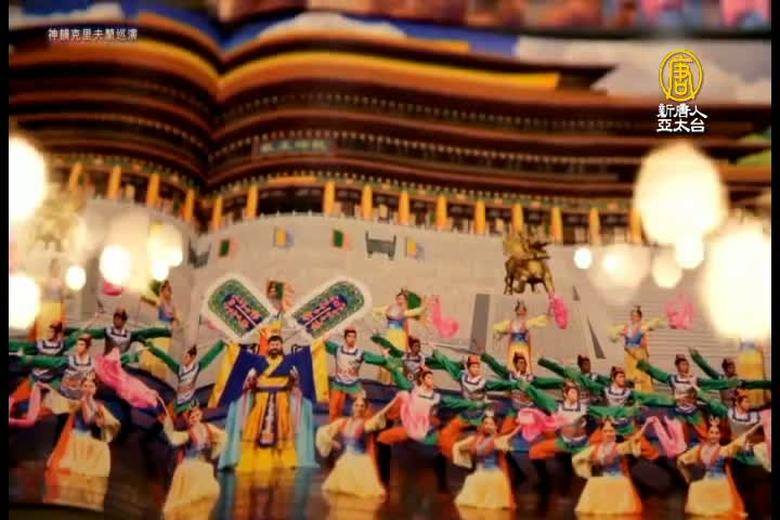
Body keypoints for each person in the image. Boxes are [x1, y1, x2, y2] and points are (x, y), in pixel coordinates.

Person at [376, 366, 486, 489]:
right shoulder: (413, 391)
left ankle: (444, 485)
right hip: (409, 429)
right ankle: (383, 480)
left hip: (427, 431)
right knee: (382, 438)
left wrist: (474, 404)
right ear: (422, 380)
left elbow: (453, 402)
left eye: (432, 378)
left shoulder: (436, 397)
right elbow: (400, 378)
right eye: (429, 377)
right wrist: (392, 366)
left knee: (445, 447)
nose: (432, 380)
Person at [219, 335, 302, 472]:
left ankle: (285, 462)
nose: (275, 347)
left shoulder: (288, 363)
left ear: (281, 346)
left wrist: (294, 380)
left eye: (277, 344)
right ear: (268, 347)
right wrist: (251, 380)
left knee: (283, 429)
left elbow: (295, 384)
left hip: (281, 402)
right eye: (272, 345)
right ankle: (250, 462)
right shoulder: (259, 362)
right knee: (254, 429)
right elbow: (248, 383)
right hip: (261, 401)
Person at [430, 350, 518, 466]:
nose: (476, 369)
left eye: (478, 367)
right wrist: (437, 353)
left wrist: (517, 384)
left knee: (496, 441)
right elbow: (448, 365)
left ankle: (512, 466)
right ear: (468, 368)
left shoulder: (483, 382)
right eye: (474, 366)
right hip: (467, 414)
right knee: (447, 434)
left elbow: (501, 385)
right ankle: (443, 459)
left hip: (481, 416)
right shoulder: (461, 377)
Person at [637, 354, 742, 441]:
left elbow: (712, 383)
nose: (685, 366)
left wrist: (730, 383)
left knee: (704, 434)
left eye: (686, 364)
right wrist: (644, 365)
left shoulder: (694, 379)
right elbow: (657, 373)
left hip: (693, 411)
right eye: (682, 364)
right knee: (681, 436)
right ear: (677, 366)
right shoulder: (672, 379)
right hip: (679, 412)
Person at [677, 418, 764, 517]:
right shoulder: (698, 450)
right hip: (702, 487)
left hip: (719, 487)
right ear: (707, 434)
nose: (714, 435)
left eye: (716, 433)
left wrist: (757, 426)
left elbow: (741, 439)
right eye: (711, 432)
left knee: (720, 515)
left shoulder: (723, 450)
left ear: (720, 435)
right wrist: (687, 478)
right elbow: (681, 461)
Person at [161, 403, 226, 520]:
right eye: (192, 417)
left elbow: (222, 437)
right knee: (187, 501)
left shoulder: (208, 427)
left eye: (197, 415)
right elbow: (174, 439)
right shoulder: (189, 433)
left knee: (201, 501)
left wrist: (214, 452)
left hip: (202, 467)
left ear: (200, 415)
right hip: (190, 468)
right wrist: (167, 424)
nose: (195, 419)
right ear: (189, 420)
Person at [47, 376, 121, 477]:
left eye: (91, 386)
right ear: (81, 388)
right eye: (85, 386)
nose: (88, 389)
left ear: (95, 389)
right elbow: (88, 420)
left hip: (91, 437)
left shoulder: (97, 404)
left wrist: (104, 421)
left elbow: (109, 420)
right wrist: (97, 420)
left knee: (103, 447)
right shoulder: (81, 402)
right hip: (79, 438)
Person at [315, 395, 387, 498]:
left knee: (363, 493)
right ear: (352, 407)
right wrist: (332, 442)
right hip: (347, 460)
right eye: (356, 405)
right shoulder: (344, 422)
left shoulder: (365, 424)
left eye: (362, 406)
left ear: (365, 409)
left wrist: (396, 400)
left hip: (361, 462)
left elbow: (379, 416)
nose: (359, 408)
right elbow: (324, 431)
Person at [571, 418, 645, 516]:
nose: (608, 434)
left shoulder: (619, 447)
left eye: (611, 431)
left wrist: (638, 435)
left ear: (615, 432)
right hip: (602, 481)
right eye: (605, 431)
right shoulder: (595, 448)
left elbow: (632, 443)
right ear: (601, 432)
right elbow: (577, 458)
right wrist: (589, 465)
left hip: (618, 481)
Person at [452, 410, 522, 510]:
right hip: (480, 473)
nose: (488, 426)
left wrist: (520, 426)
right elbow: (461, 447)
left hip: (493, 475)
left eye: (491, 424)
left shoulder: (498, 439)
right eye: (485, 423)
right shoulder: (478, 438)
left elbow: (510, 436)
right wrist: (467, 449)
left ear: (496, 426)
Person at [145, 340, 227, 420]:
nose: (185, 359)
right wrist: (153, 349)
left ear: (192, 358)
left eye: (187, 357)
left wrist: (221, 344)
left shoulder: (196, 368)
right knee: (169, 414)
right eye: (185, 357)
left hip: (188, 401)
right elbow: (166, 359)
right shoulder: (180, 369)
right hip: (179, 400)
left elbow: (209, 357)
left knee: (183, 414)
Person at [323, 327, 390, 421]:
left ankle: (370, 423)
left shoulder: (359, 353)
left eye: (354, 337)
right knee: (334, 409)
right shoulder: (337, 349)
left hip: (353, 384)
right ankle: (334, 425)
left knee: (363, 405)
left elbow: (372, 358)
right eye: (349, 336)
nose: (352, 339)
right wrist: (325, 337)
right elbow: (324, 343)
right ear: (345, 338)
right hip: (338, 383)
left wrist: (384, 356)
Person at [372, 289, 426, 384]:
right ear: (396, 299)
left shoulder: (404, 312)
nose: (400, 300)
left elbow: (417, 311)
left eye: (402, 299)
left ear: (405, 301)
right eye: (399, 298)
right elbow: (374, 311)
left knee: (398, 357)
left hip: (400, 337)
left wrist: (426, 304)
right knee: (387, 355)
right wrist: (381, 321)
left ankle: (397, 381)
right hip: (390, 335)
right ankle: (386, 381)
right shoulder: (388, 308)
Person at [608, 305, 664, 393]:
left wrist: (635, 343)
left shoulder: (642, 327)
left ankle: (644, 393)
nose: (633, 318)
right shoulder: (627, 328)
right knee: (631, 374)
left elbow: (644, 343)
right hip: (629, 355)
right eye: (632, 315)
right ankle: (630, 392)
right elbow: (618, 335)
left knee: (641, 375)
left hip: (639, 354)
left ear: (639, 317)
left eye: (635, 316)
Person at [689, 348, 772, 406]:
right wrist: (696, 357)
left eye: (733, 367)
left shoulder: (738, 381)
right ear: (725, 369)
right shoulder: (720, 379)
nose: (733, 369)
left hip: (738, 409)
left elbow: (755, 384)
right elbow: (707, 369)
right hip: (726, 409)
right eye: (730, 367)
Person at [80, 307, 171, 355]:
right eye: (116, 318)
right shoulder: (107, 331)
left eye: (120, 319)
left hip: (120, 365)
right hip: (106, 364)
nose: (117, 321)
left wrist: (167, 332)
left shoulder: (129, 335)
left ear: (124, 321)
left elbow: (149, 332)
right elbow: (91, 333)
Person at [492, 300, 549, 370]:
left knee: (524, 365)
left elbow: (540, 320)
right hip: (513, 347)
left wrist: (549, 310)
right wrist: (503, 334)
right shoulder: (510, 323)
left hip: (523, 348)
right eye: (519, 308)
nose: (520, 310)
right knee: (512, 366)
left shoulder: (527, 323)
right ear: (516, 311)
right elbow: (497, 329)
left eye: (522, 308)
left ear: (525, 311)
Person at [140, 280, 179, 379]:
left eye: (169, 290)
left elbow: (175, 318)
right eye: (166, 290)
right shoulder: (161, 301)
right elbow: (154, 303)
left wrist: (175, 322)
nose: (168, 292)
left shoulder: (172, 305)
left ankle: (158, 371)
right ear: (163, 291)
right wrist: (145, 299)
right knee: (156, 347)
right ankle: (149, 368)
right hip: (160, 327)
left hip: (167, 330)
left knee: (163, 351)